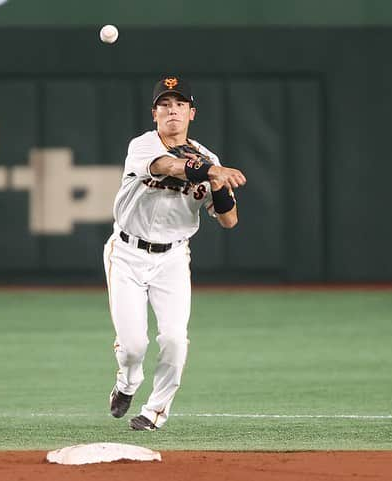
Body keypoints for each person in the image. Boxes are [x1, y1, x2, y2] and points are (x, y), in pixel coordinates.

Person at [105, 76, 246, 430]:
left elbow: (228, 220)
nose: (172, 110)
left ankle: (155, 411)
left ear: (191, 113)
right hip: (127, 253)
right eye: (165, 104)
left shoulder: (208, 159)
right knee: (135, 345)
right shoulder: (142, 146)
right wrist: (211, 171)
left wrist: (217, 185)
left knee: (173, 338)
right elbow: (167, 166)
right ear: (154, 113)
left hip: (172, 258)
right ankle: (127, 382)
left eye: (180, 104)